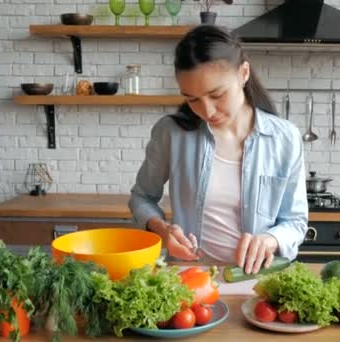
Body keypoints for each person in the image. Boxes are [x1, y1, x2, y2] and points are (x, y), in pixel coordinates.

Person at [128, 25, 307, 274]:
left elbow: (295, 222)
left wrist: (269, 240)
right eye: (192, 99)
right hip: (189, 280)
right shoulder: (171, 133)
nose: (207, 111)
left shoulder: (285, 138)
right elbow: (141, 197)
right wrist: (162, 229)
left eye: (217, 95)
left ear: (243, 73)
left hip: (259, 284)